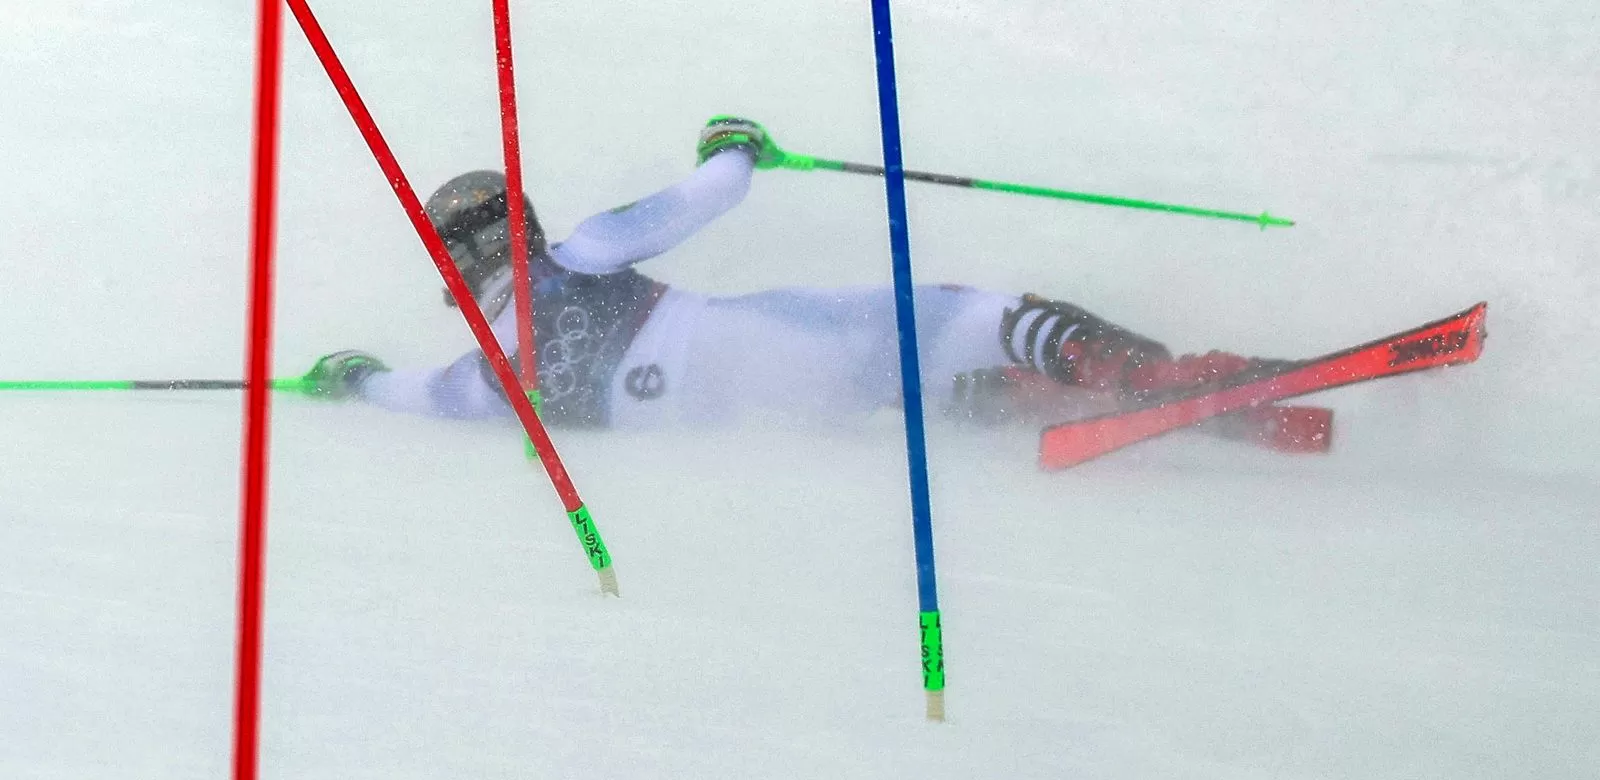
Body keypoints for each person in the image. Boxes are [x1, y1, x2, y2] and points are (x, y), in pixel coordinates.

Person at [305, 117, 1269, 429]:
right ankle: (1146, 375)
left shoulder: (488, 377)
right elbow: (705, 196)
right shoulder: (578, 254)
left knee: (894, 392)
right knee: (961, 313)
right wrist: (732, 143)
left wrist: (347, 377)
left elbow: (401, 391)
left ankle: (1035, 400)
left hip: (754, 419)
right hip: (758, 340)